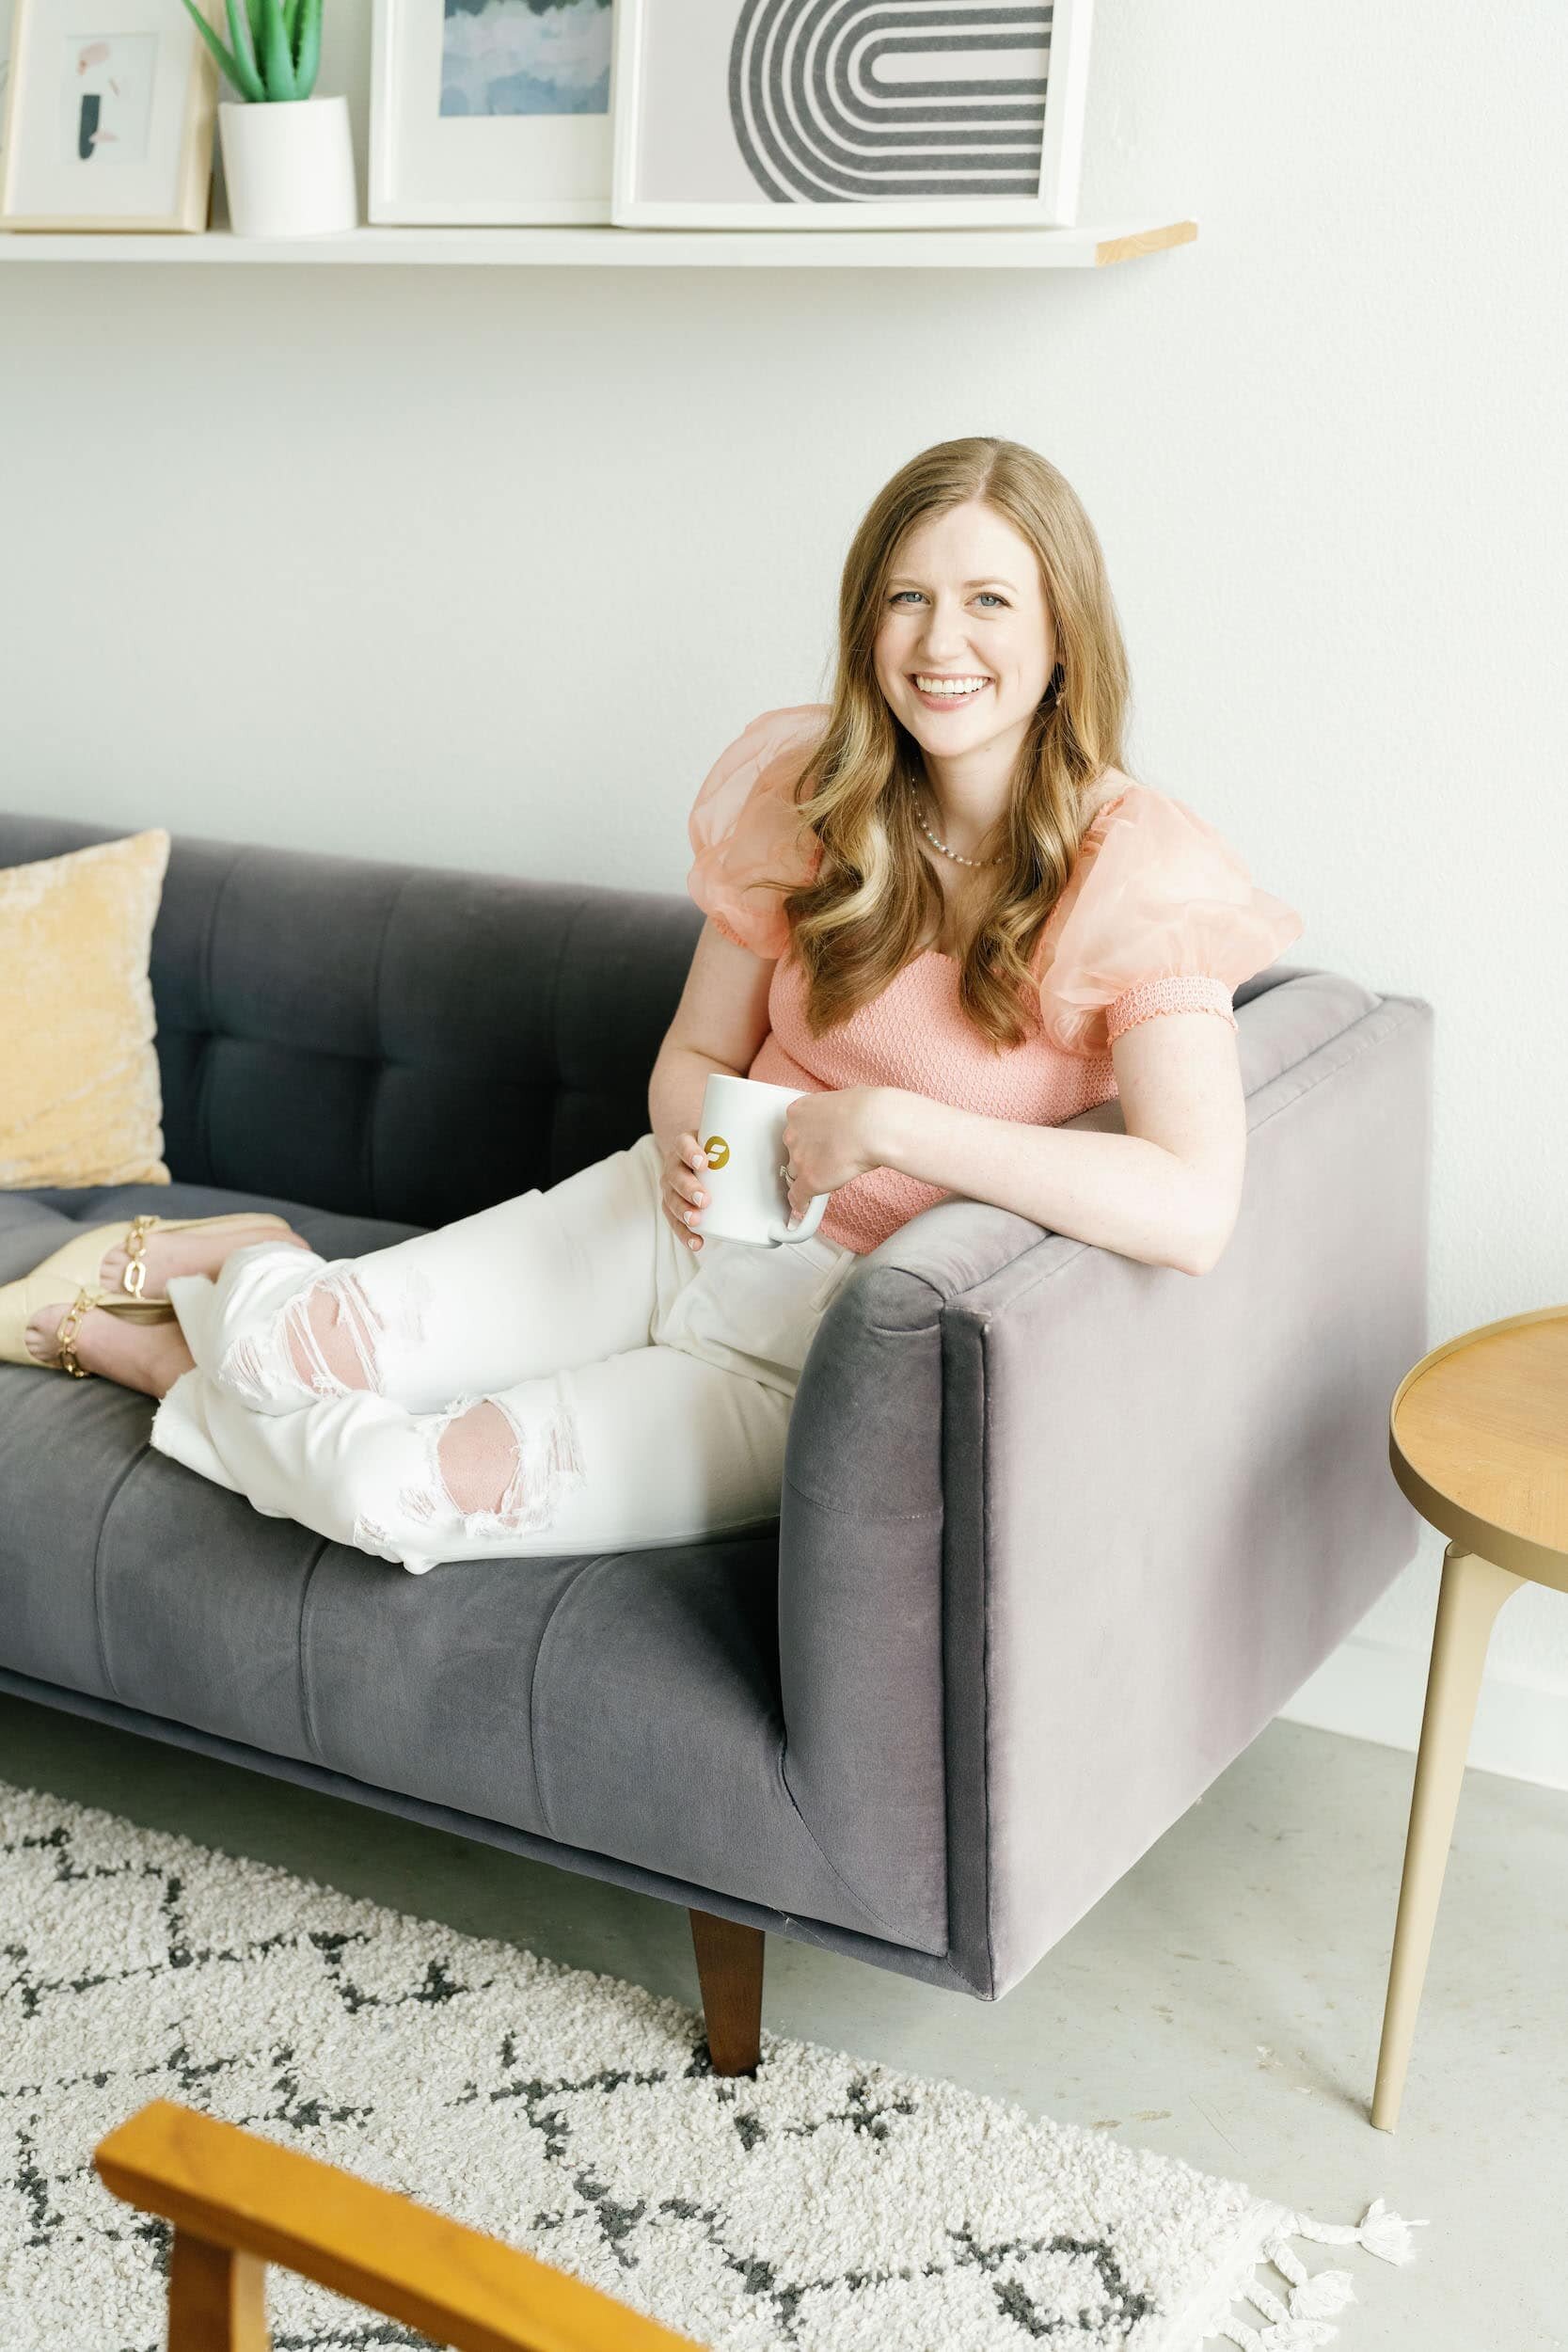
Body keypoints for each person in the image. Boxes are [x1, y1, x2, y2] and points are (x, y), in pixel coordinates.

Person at [0, 436, 1303, 1572]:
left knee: (387, 1491)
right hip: (666, 1225)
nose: (939, 642)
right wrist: (694, 1142)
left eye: (988, 601)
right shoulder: (813, 795)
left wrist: (892, 1127)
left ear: (1063, 633)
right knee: (279, 1358)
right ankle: (248, 1270)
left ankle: (170, 1358)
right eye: (907, 597)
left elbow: (1192, 1205)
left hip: (798, 1356)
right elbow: (692, 1054)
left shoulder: (1141, 871)